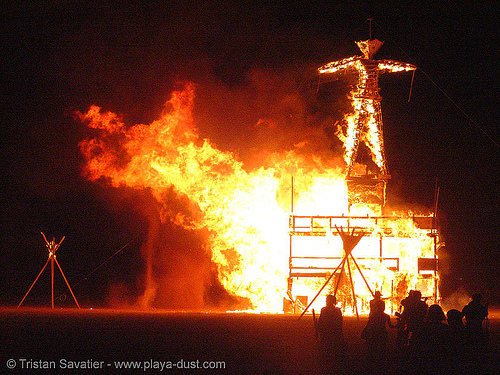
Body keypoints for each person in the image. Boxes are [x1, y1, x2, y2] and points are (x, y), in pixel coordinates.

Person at [362, 291, 396, 366]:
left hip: (374, 333)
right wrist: (397, 325)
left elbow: (369, 324)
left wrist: (365, 331)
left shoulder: (374, 315)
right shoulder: (386, 316)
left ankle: (371, 362)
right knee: (382, 348)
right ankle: (381, 362)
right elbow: (390, 326)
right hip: (383, 333)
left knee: (373, 347)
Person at [317, 295, 347, 370]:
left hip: (330, 333)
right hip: (330, 333)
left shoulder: (328, 310)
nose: (327, 302)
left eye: (328, 300)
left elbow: (321, 322)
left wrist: (318, 330)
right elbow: (321, 321)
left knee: (329, 349)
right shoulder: (333, 310)